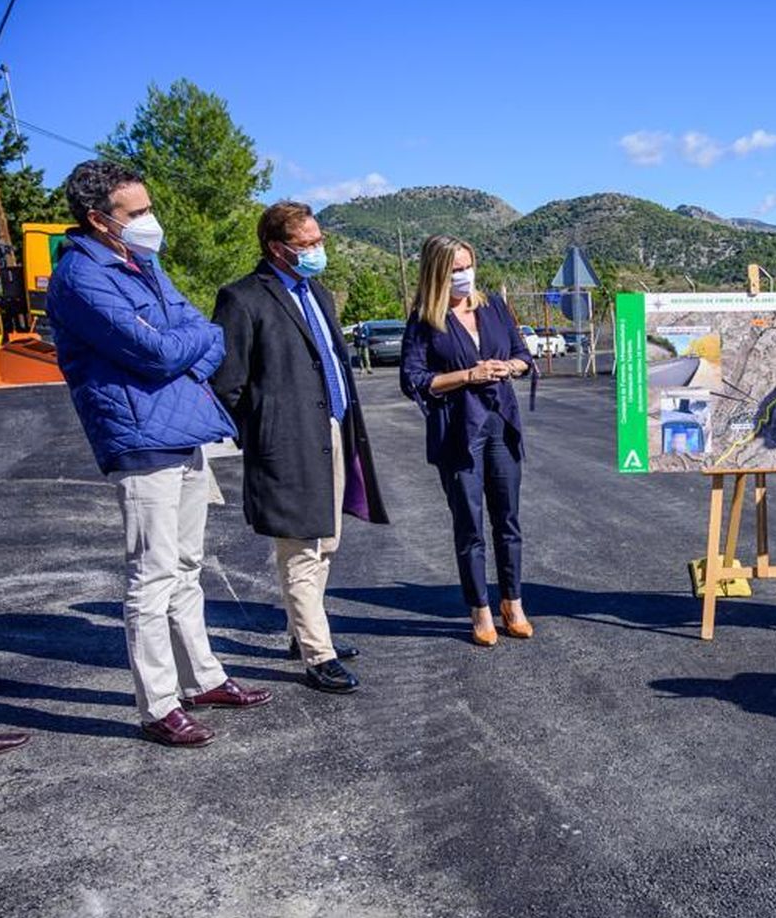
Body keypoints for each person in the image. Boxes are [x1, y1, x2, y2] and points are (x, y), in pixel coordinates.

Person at [45, 159, 271, 748]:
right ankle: (158, 706)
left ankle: (202, 678)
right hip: (139, 438)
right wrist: (176, 348)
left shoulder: (143, 262)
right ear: (99, 220)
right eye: (138, 212)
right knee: (151, 574)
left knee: (187, 566)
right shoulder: (80, 278)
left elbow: (206, 335)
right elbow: (156, 352)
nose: (151, 220)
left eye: (149, 207)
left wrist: (177, 347)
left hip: (183, 429)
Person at [212, 202, 388, 694]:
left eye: (319, 240)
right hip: (286, 444)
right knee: (301, 548)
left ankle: (303, 630)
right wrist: (263, 433)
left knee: (326, 541)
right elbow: (227, 384)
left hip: (332, 431)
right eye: (306, 244)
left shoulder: (318, 294)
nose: (317, 250)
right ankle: (318, 654)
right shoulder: (243, 298)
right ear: (277, 248)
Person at [399, 235, 535, 645]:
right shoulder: (425, 319)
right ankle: (480, 610)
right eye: (455, 269)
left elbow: (523, 356)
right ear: (438, 273)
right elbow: (413, 379)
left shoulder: (493, 306)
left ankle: (513, 603)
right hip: (458, 431)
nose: (465, 275)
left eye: (468, 266)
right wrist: (468, 375)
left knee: (508, 520)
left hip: (500, 424)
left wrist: (509, 367)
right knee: (469, 525)